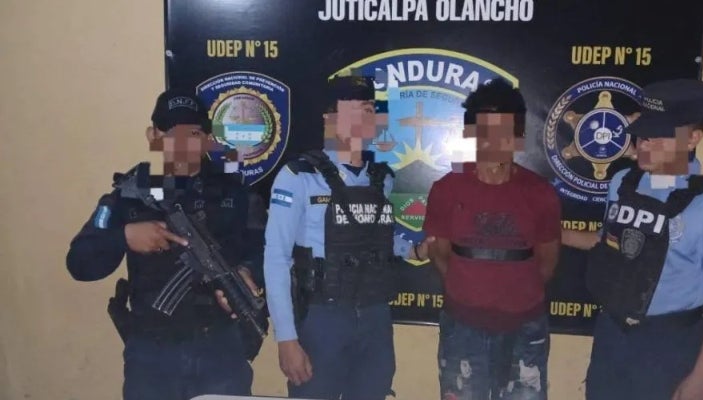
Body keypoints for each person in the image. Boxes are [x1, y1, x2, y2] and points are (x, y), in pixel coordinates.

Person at [65, 88, 267, 400]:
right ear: (154, 137)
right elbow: (79, 263)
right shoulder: (128, 196)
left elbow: (267, 250)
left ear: (207, 139)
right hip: (151, 354)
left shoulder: (236, 193)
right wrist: (124, 237)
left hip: (219, 347)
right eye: (171, 133)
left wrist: (248, 271)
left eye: (194, 133)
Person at [561, 78, 703, 400]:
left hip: (669, 345)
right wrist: (554, 234)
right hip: (612, 337)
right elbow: (611, 241)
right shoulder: (623, 182)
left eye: (658, 137)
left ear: (693, 138)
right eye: (643, 135)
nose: (644, 145)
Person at [263, 75, 431, 400]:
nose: (362, 119)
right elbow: (276, 258)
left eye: (368, 110)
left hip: (374, 316)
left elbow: (377, 234)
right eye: (351, 110)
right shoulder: (299, 177)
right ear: (329, 118)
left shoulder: (381, 179)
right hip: (323, 317)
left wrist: (414, 250)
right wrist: (286, 338)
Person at [423, 78, 562, 400]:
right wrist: (472, 295)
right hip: (463, 328)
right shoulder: (446, 189)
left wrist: (511, 298)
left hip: (526, 329)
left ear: (519, 135)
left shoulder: (540, 193)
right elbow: (439, 254)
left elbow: (548, 262)